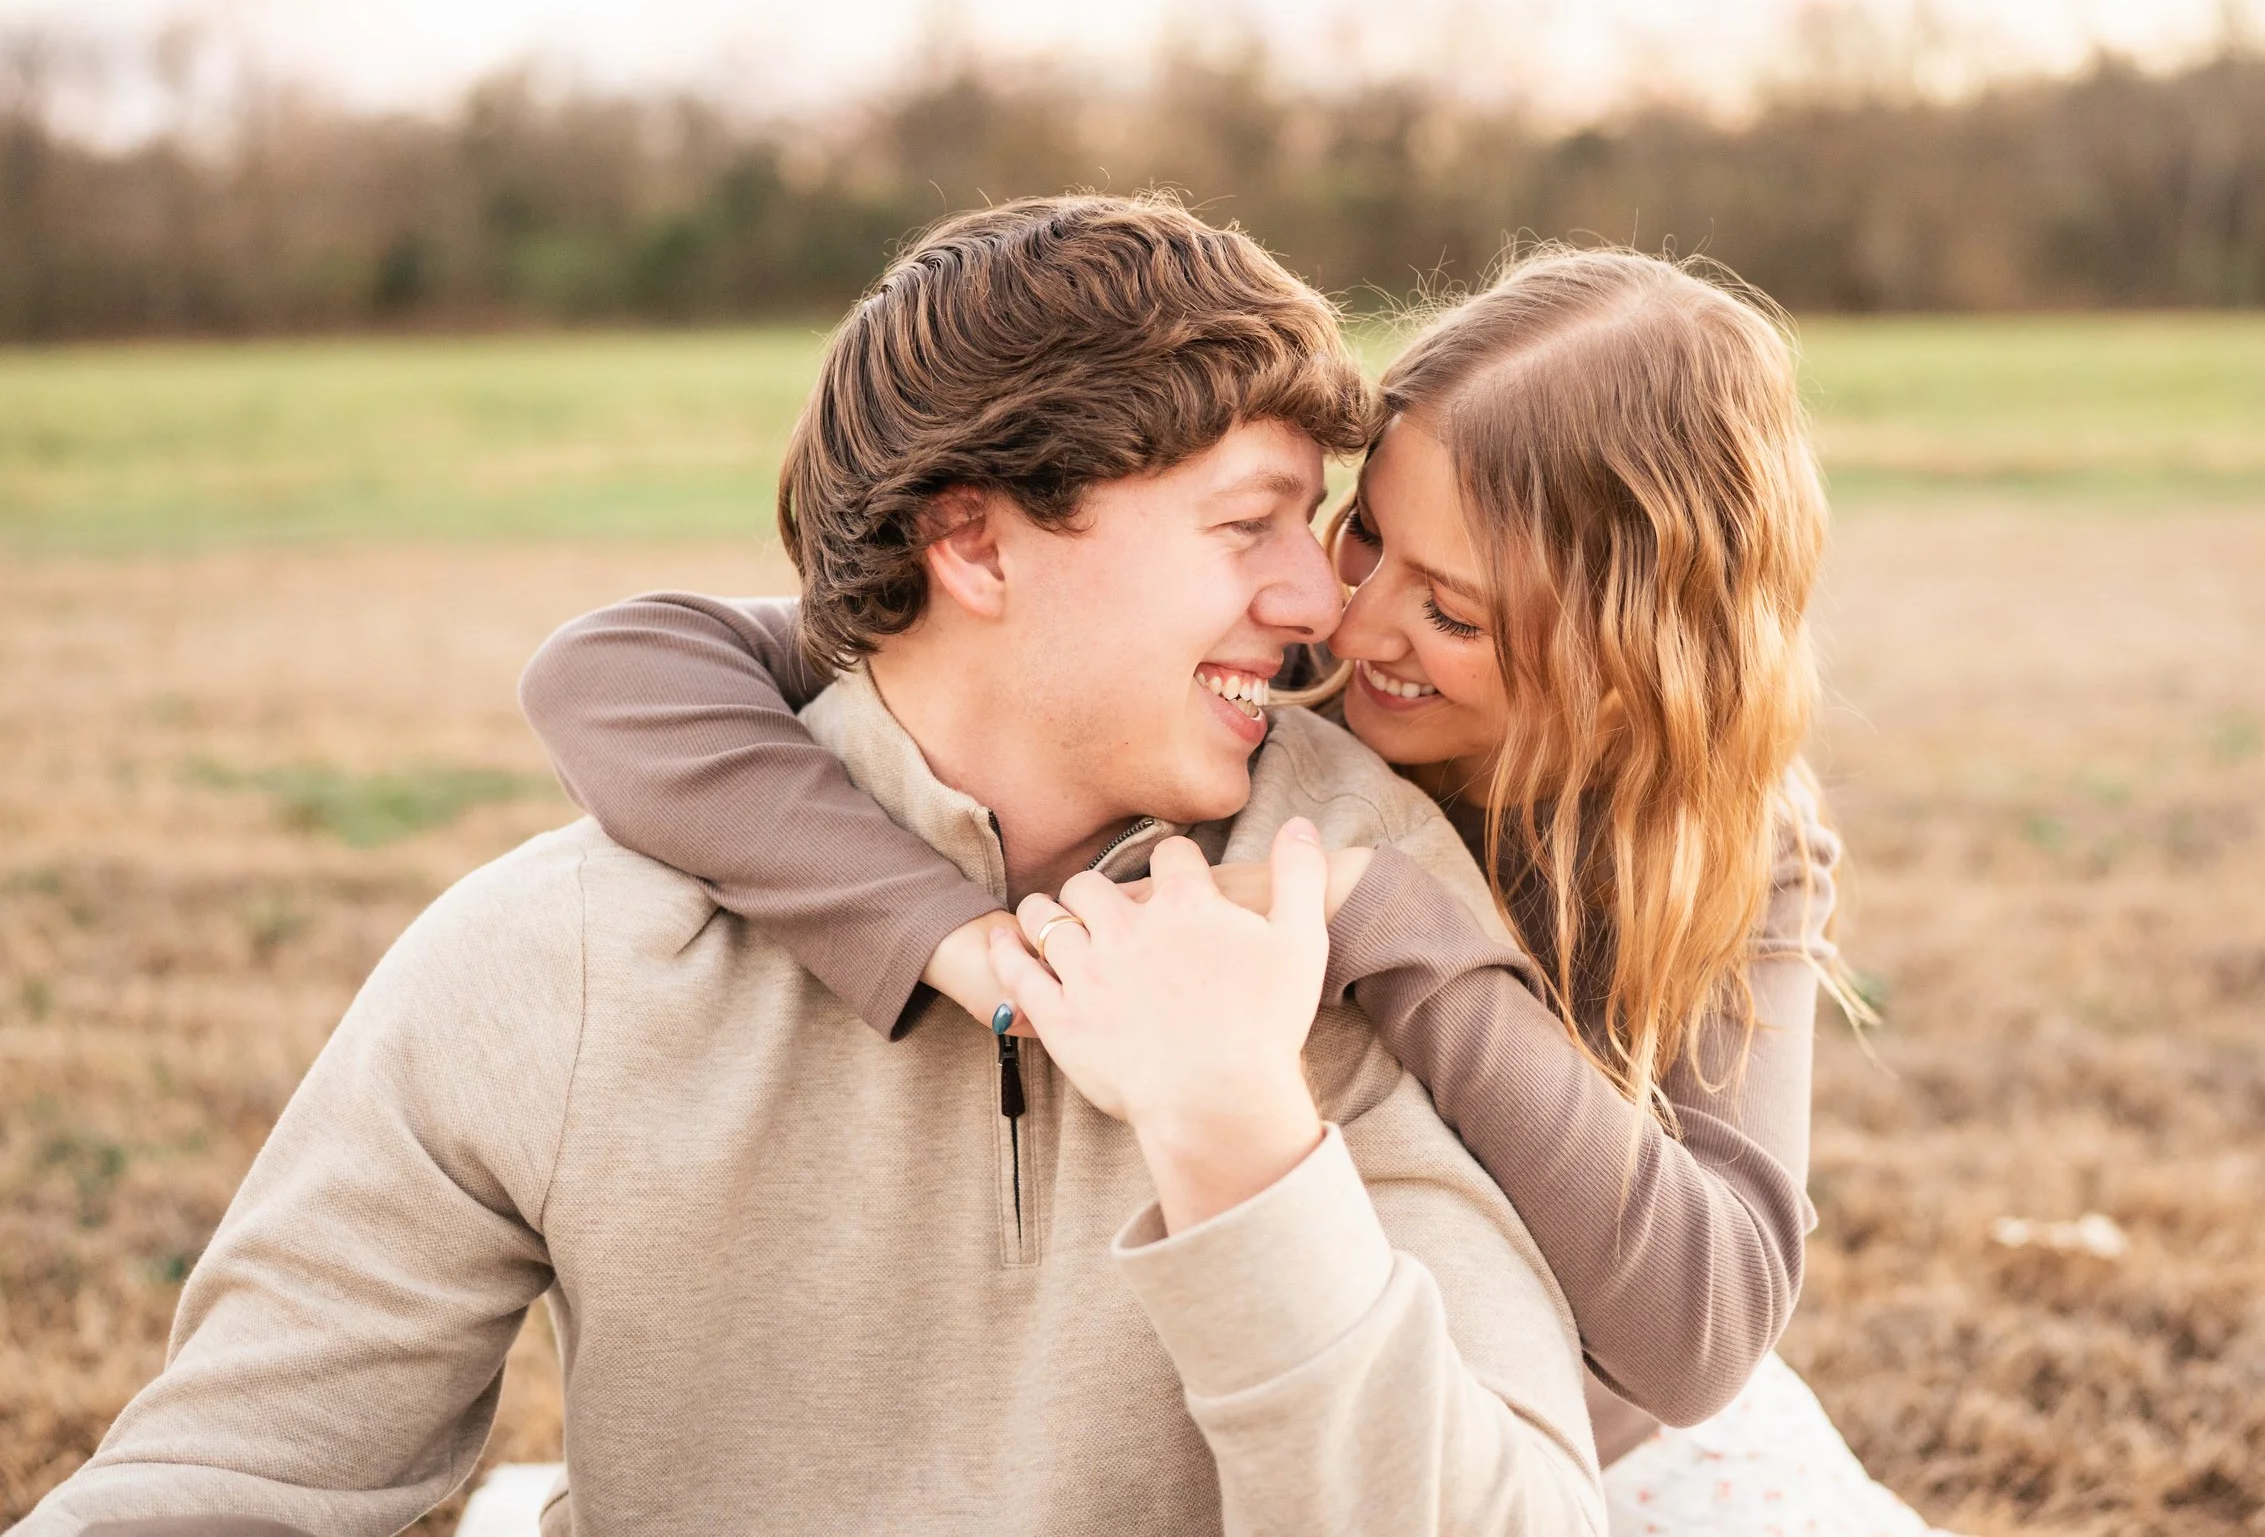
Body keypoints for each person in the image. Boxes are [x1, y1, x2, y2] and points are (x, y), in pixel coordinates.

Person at [12, 197, 1605, 1537]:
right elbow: (225, 1484)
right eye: (1248, 523)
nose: (1315, 601)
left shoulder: (1353, 918)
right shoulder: (559, 958)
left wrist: (1242, 1138)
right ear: (974, 544)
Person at [516, 247, 1952, 1535]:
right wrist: (958, 940)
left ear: (1629, 650)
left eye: (1451, 610)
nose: (1351, 615)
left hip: (1536, 1467)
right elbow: (613, 672)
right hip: (1232, 1417)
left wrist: (1402, 927)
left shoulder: (1723, 843)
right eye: (1366, 532)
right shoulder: (1262, 680)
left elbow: (1705, 1328)